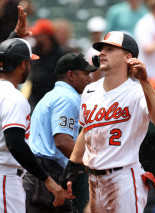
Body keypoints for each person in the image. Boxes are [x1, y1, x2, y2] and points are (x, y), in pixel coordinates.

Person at [60, 31, 155, 213]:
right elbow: (86, 130)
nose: (102, 53)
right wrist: (72, 166)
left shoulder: (137, 91)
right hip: (95, 180)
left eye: (110, 49)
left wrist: (145, 82)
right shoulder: (90, 90)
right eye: (102, 49)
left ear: (128, 57)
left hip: (123, 177)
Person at [0, 6, 65, 213]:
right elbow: (15, 144)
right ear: (22, 65)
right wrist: (47, 179)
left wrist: (13, 37)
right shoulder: (13, 97)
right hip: (2, 180)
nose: (30, 67)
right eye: (28, 62)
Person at [23, 53, 96, 212]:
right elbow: (62, 141)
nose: (90, 79)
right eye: (85, 73)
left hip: (40, 173)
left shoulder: (51, 95)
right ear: (71, 75)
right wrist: (93, 163)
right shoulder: (67, 98)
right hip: (46, 174)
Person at [24, 18, 68, 110]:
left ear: (47, 36)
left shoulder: (61, 54)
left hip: (54, 102)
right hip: (35, 101)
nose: (35, 38)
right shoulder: (34, 52)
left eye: (38, 35)